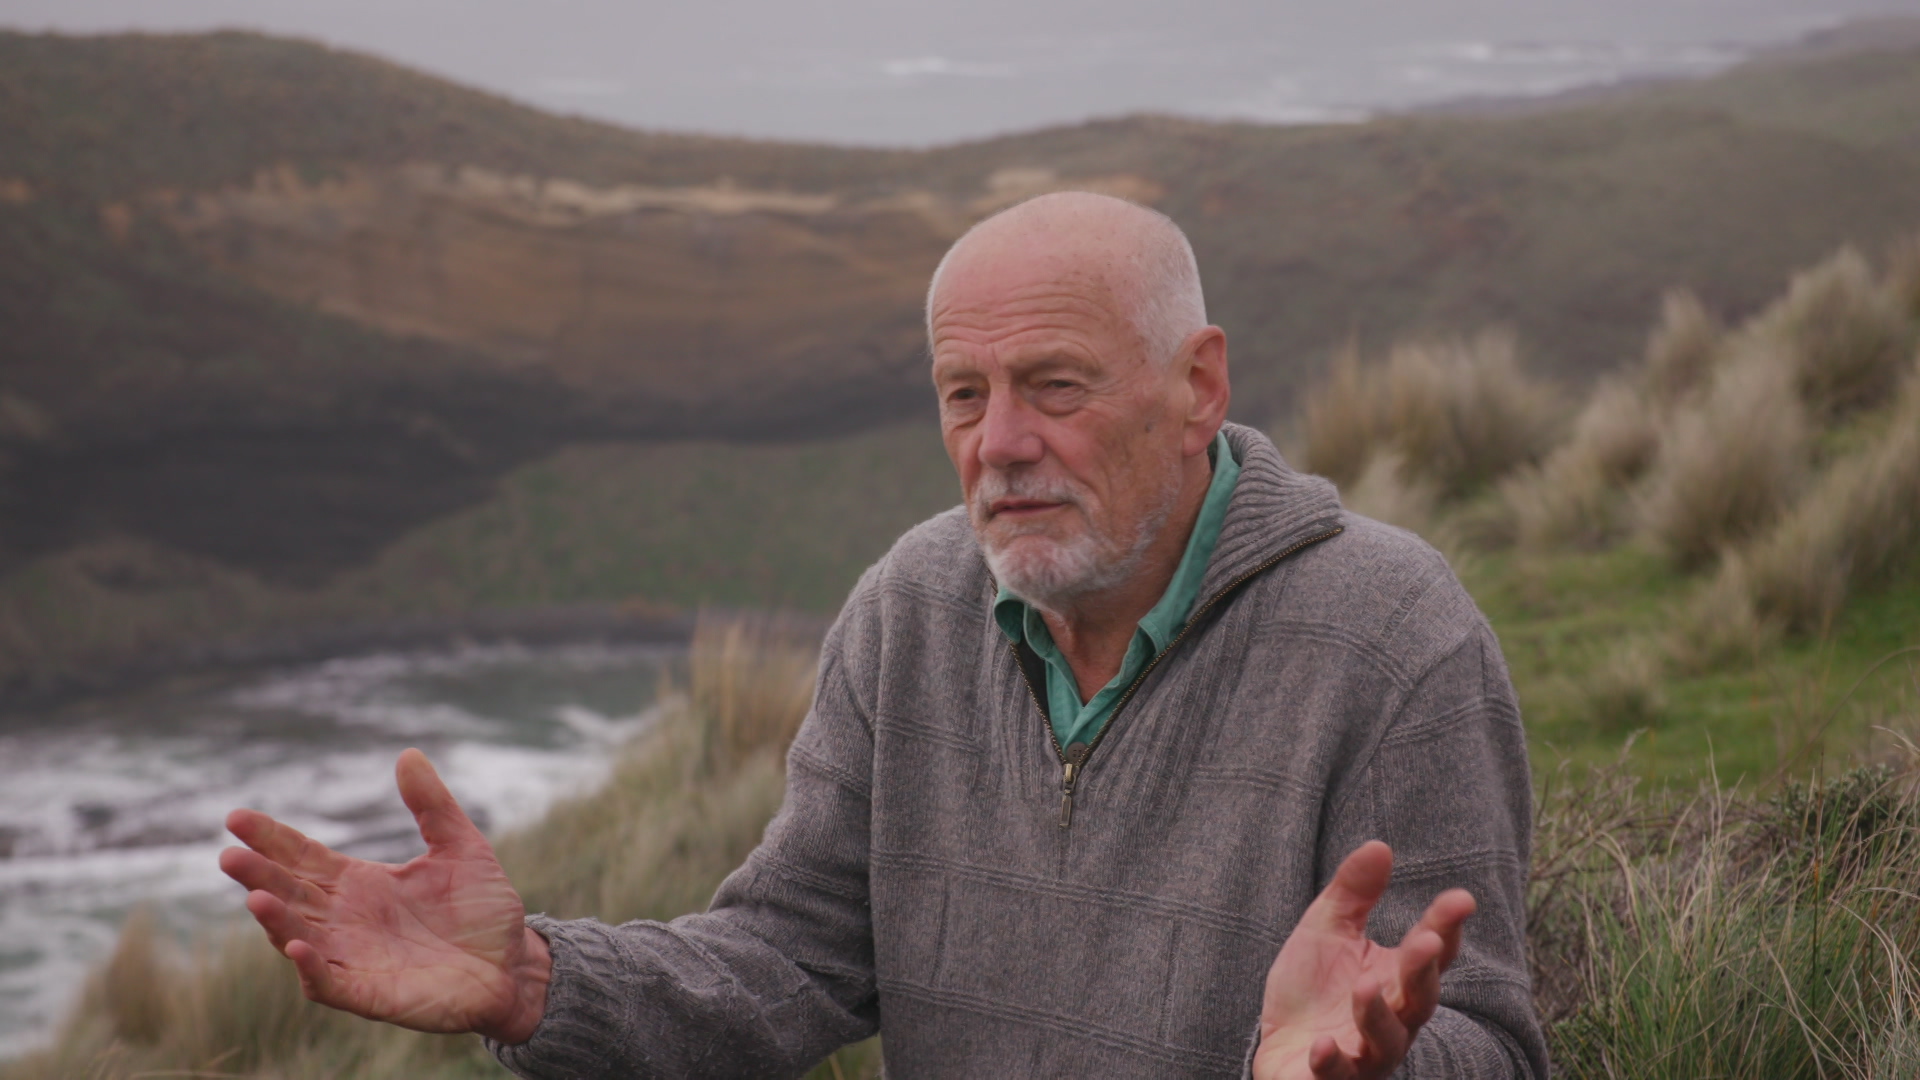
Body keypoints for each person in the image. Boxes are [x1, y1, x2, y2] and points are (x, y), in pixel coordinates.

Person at [220, 192, 1546, 1078]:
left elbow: (1487, 1035)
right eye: (963, 394)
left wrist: (1366, 1065)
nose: (1001, 443)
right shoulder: (913, 605)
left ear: (1198, 385)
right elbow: (789, 958)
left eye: (1055, 386)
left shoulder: (1390, 638)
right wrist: (533, 979)